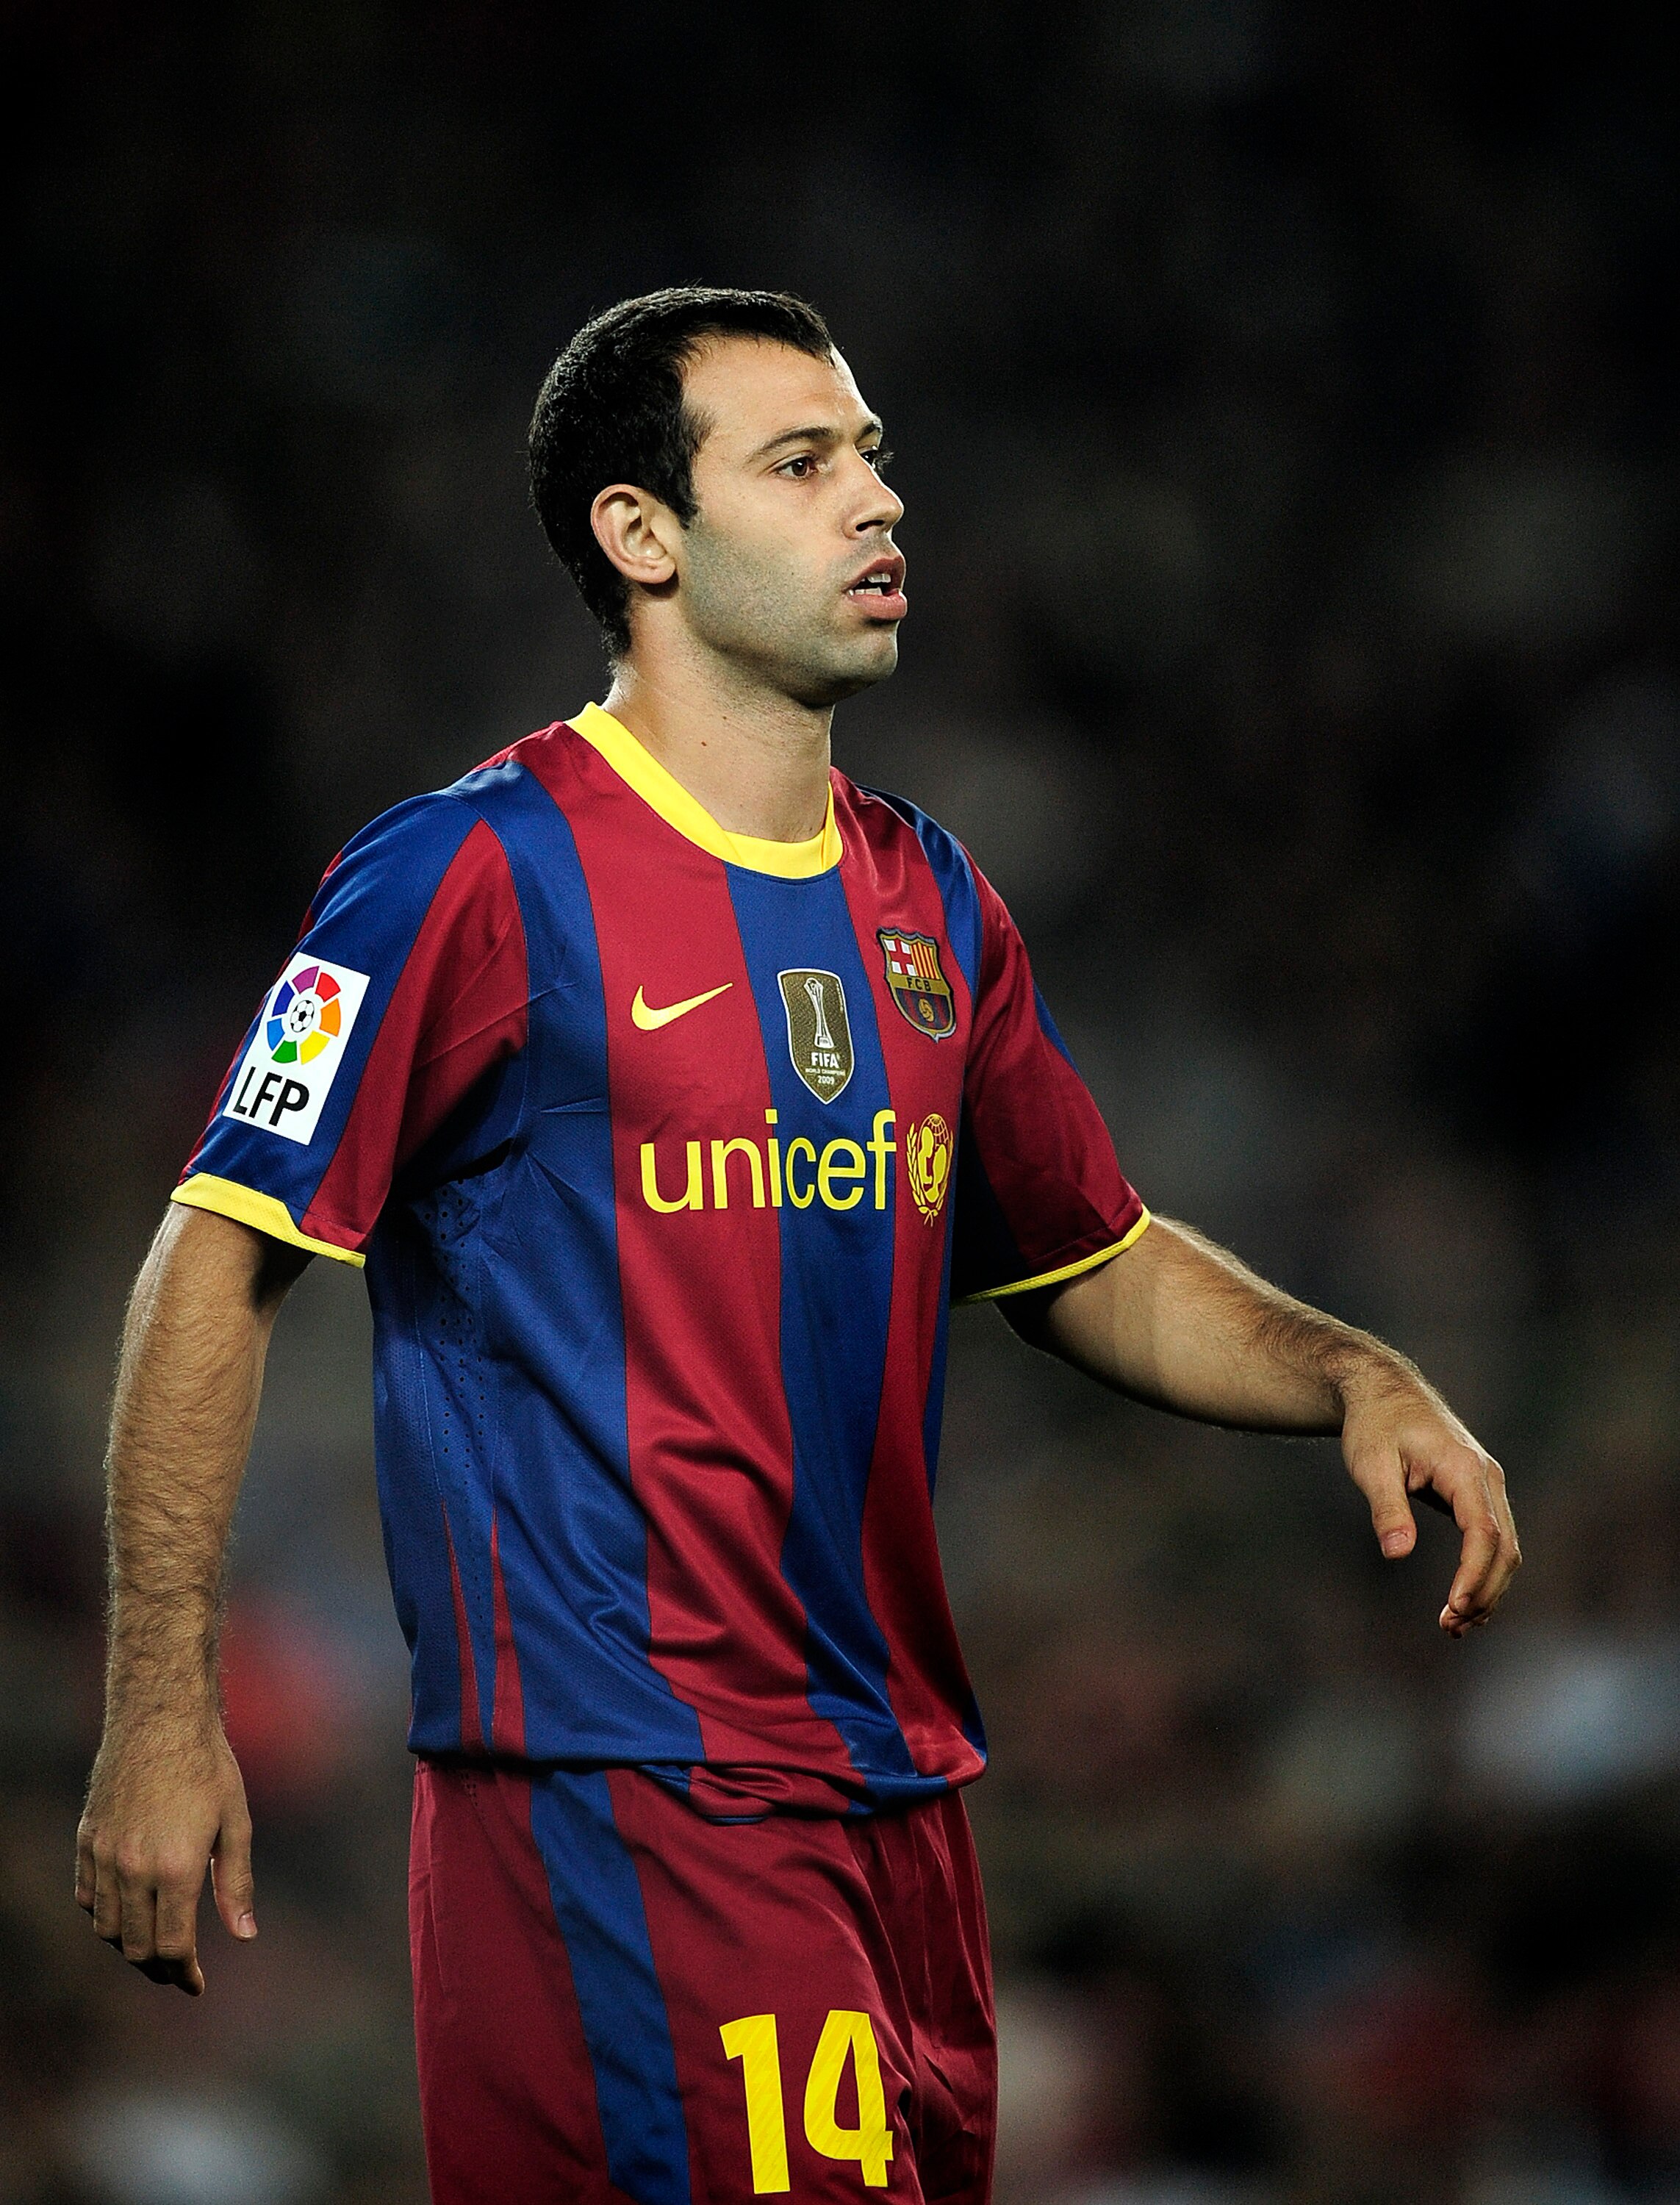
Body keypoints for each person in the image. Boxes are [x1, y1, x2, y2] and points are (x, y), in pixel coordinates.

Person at [76, 287, 1519, 2204]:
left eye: (876, 457)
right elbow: (214, 1257)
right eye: (804, 461)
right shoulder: (472, 874)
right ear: (640, 534)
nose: (878, 502)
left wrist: (1353, 1367)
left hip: (897, 1807)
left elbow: (1083, 1256)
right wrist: (162, 1708)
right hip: (627, 1791)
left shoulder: (931, 900)